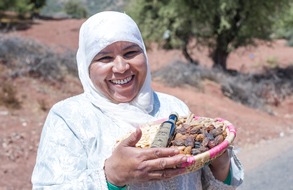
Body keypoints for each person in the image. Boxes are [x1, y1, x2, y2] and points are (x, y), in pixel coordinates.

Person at [31, 11, 243, 189]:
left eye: (131, 52)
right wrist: (112, 176)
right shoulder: (70, 117)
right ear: (86, 66)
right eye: (104, 57)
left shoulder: (173, 108)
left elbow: (208, 183)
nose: (121, 67)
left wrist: (220, 163)